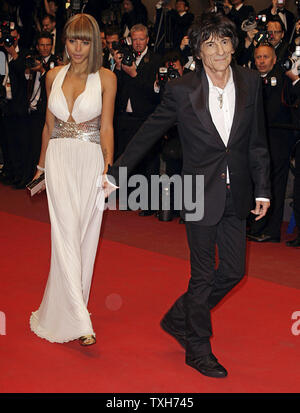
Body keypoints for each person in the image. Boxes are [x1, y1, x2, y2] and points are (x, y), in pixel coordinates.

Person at [104, 12, 271, 378]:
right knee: (202, 276)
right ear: (199, 50)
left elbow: (256, 142)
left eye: (225, 42)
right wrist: (117, 173)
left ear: (234, 45)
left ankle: (179, 316)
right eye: (210, 44)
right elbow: (150, 132)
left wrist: (263, 189)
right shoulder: (182, 90)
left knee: (232, 270)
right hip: (197, 191)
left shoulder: (249, 81)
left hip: (238, 190)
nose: (220, 51)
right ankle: (197, 347)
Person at [30, 13, 116, 346]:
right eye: (71, 40)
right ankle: (81, 319)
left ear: (94, 43)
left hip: (91, 161)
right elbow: (49, 127)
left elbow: (107, 126)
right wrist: (40, 168)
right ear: (63, 41)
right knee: (64, 231)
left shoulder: (106, 78)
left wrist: (108, 167)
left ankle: (64, 309)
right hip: (58, 160)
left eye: (84, 41)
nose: (77, 48)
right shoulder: (53, 75)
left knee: (84, 237)